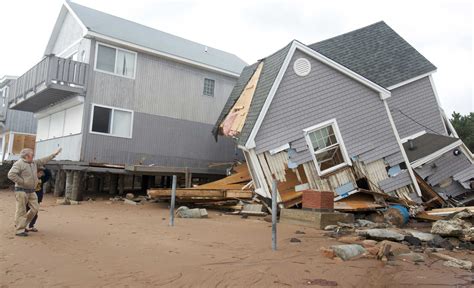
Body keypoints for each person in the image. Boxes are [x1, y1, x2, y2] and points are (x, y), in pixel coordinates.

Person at [8, 147, 61, 237]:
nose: (34, 156)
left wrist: (54, 154)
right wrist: (23, 182)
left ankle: (22, 224)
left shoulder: (33, 163)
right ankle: (19, 230)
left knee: (35, 209)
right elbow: (11, 175)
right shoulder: (19, 164)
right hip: (21, 191)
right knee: (21, 210)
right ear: (27, 156)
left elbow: (43, 160)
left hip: (31, 191)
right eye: (32, 154)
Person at [25, 167, 51, 232]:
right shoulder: (31, 178)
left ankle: (31, 226)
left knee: (35, 213)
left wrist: (44, 168)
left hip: (37, 198)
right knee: (25, 212)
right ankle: (22, 225)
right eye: (40, 173)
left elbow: (49, 174)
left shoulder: (42, 179)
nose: (41, 174)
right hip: (29, 198)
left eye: (42, 173)